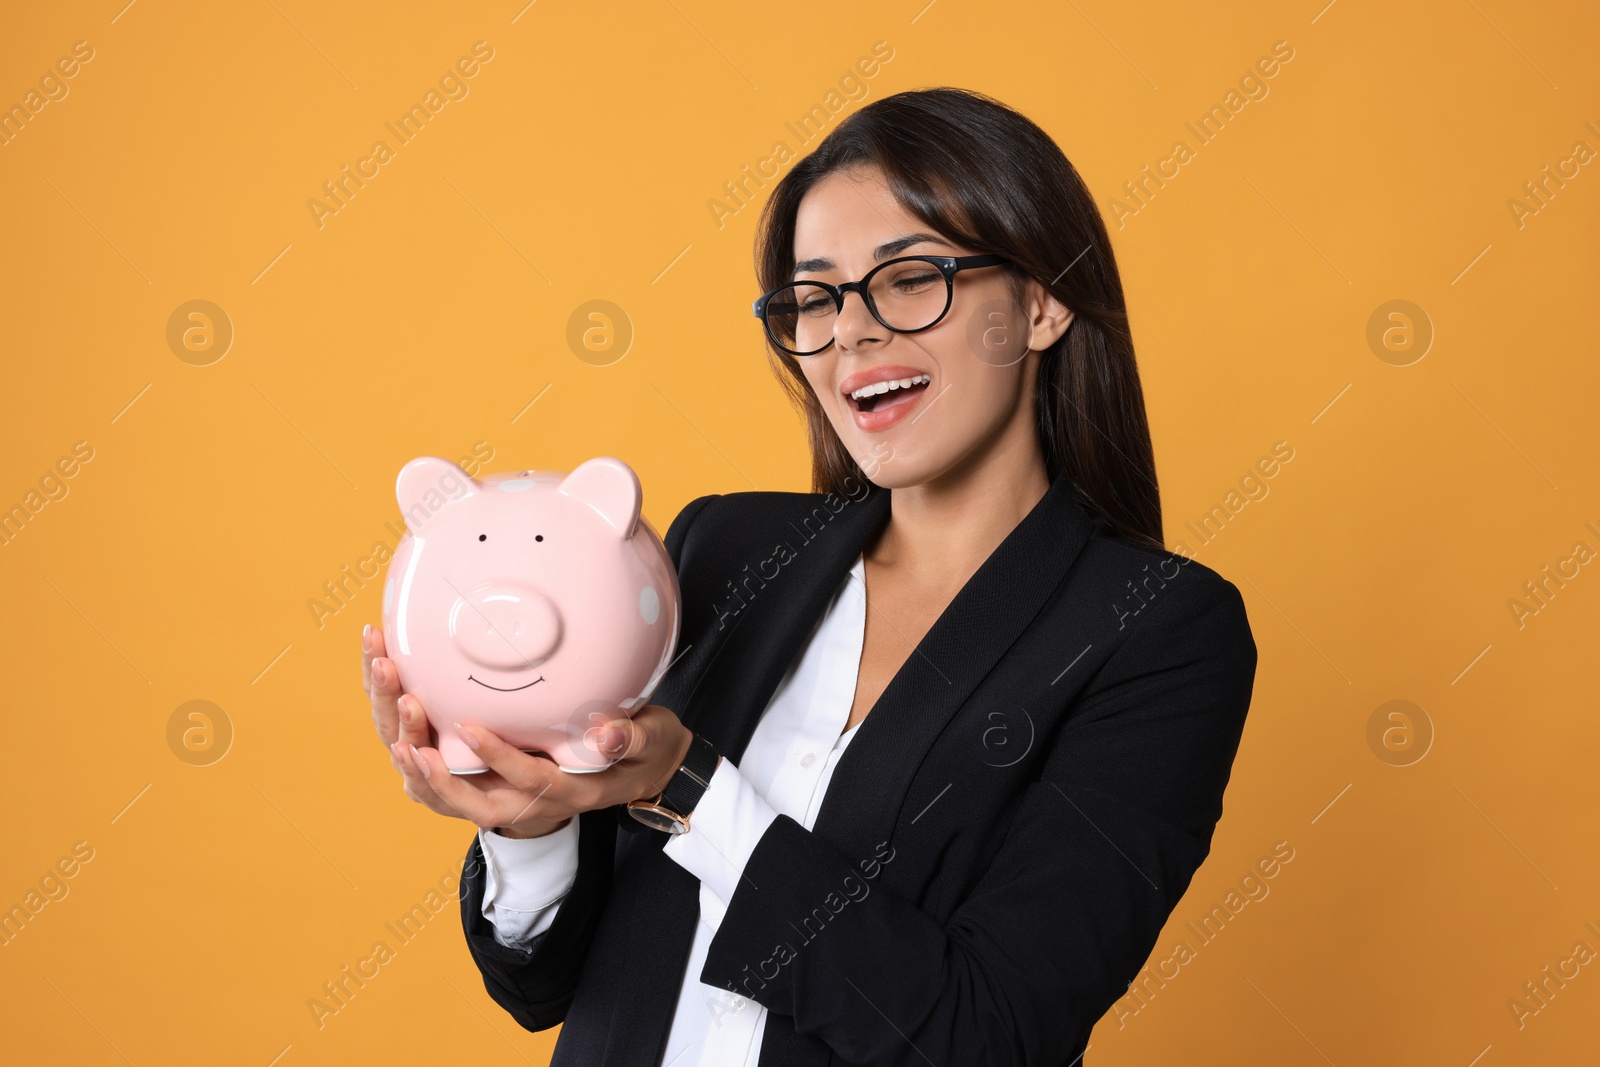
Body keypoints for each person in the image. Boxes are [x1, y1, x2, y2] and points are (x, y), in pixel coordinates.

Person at [363, 86, 1257, 1066]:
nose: (852, 334)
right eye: (816, 296)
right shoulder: (721, 551)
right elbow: (547, 982)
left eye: (910, 277)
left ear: (1042, 302)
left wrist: (689, 784)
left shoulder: (1159, 629)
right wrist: (529, 826)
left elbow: (989, 1034)